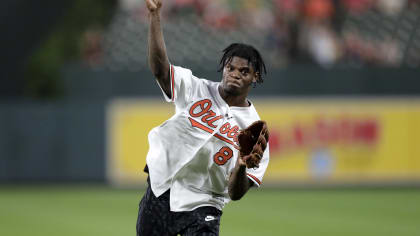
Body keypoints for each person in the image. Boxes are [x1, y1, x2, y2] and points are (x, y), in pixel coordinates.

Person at [137, 0, 270, 235]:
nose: (235, 74)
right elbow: (160, 69)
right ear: (223, 69)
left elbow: (236, 193)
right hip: (162, 188)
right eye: (231, 68)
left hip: (205, 202)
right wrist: (155, 16)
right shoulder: (194, 88)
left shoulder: (253, 130)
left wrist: (241, 165)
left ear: (255, 78)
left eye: (244, 71)